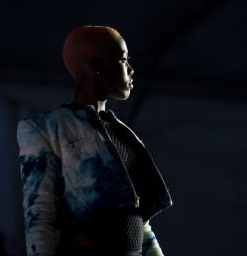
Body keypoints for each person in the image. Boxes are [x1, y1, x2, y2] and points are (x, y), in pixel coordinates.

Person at [16, 25, 173, 256]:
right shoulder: (46, 129)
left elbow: (139, 218)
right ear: (97, 64)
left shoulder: (124, 134)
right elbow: (39, 216)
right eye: (122, 60)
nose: (130, 70)